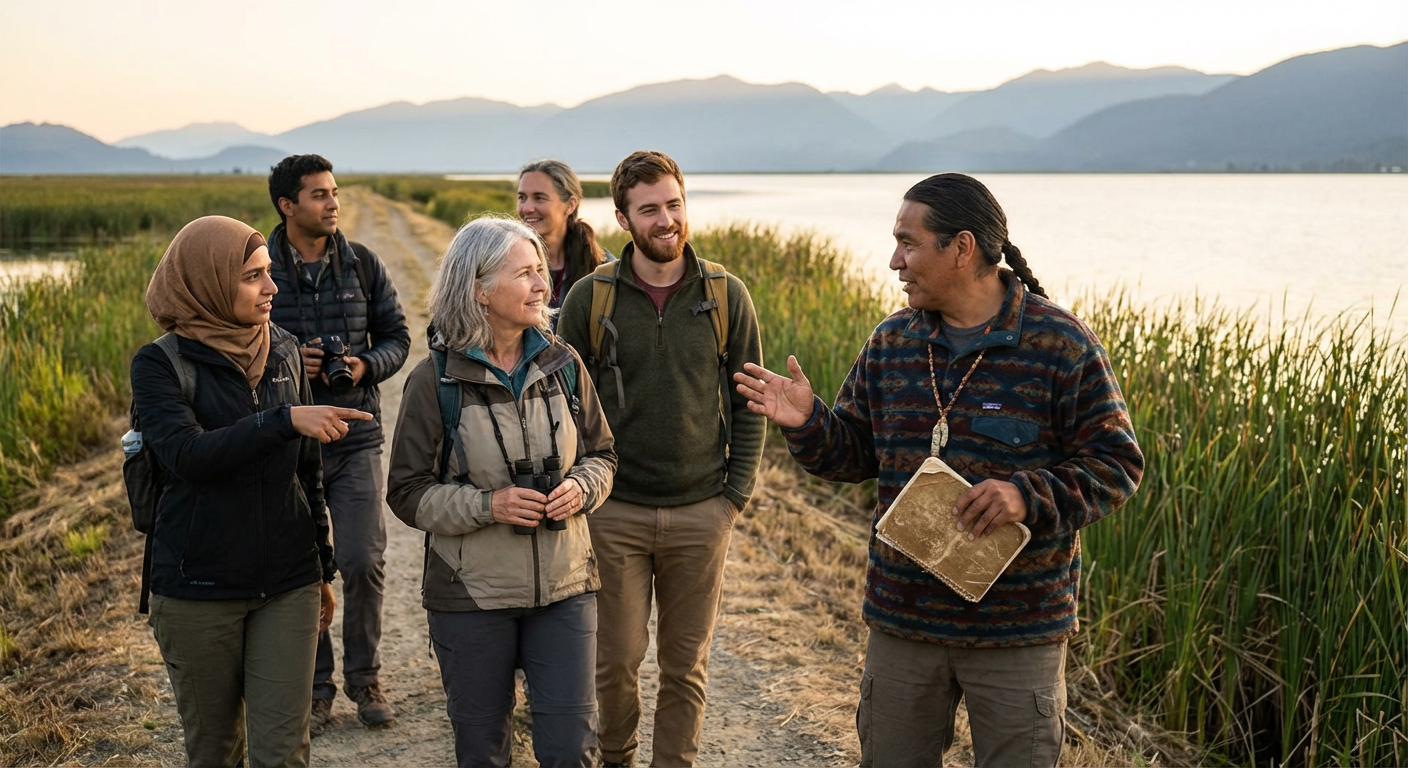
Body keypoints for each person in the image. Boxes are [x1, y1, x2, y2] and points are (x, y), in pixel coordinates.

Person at [733, 173, 1144, 768]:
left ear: (962, 248)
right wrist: (807, 422)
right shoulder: (892, 342)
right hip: (903, 622)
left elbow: (1118, 464)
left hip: (1017, 632)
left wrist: (1026, 496)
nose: (894, 260)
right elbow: (852, 454)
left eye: (908, 242)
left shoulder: (1060, 344)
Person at [132, 215, 373, 766]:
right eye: (252, 277)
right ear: (208, 282)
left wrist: (321, 570)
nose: (272, 288)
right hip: (197, 586)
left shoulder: (284, 350)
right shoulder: (160, 364)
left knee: (284, 752)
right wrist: (283, 419)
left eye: (269, 273)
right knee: (216, 749)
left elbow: (307, 474)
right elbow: (187, 456)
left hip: (288, 584)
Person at [556, 150, 766, 767]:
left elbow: (749, 400)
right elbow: (561, 407)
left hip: (703, 511)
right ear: (623, 219)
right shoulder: (588, 301)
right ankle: (617, 760)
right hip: (613, 513)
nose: (667, 220)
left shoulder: (726, 295)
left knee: (685, 667)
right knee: (615, 661)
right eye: (650, 210)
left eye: (674, 204)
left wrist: (733, 498)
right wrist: (581, 493)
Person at [385, 216, 617, 768]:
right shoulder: (434, 381)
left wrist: (581, 489)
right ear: (479, 290)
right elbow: (407, 492)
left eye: (542, 272)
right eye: (526, 274)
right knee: (482, 750)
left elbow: (603, 457)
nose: (543, 285)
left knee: (571, 751)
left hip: (566, 589)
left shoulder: (564, 364)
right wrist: (489, 505)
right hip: (471, 596)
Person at [266, 154, 411, 733]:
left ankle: (365, 678)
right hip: (288, 443)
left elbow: (399, 338)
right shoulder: (260, 269)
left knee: (362, 559)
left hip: (354, 434)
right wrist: (285, 358)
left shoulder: (363, 265)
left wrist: (363, 364)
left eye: (334, 192)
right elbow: (236, 347)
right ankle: (318, 688)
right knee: (305, 569)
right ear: (287, 205)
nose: (332, 203)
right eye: (319, 194)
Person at [516, 159, 612, 319]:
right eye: (522, 198)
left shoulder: (602, 266)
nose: (527, 208)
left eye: (539, 198)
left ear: (570, 205)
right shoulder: (505, 264)